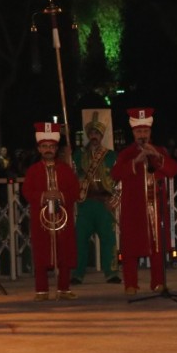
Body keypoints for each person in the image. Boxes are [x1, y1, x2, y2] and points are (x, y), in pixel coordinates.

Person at [112, 107, 177, 295]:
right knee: (131, 246)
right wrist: (136, 161)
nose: (142, 135)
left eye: (145, 131)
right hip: (133, 208)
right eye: (139, 131)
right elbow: (115, 174)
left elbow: (173, 170)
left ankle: (158, 282)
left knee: (157, 246)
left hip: (155, 207)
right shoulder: (126, 153)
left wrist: (157, 157)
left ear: (150, 132)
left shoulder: (159, 150)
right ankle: (131, 284)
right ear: (133, 133)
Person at [22, 122, 80, 301]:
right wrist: (44, 195)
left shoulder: (65, 169)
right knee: (41, 252)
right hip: (42, 218)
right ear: (39, 148)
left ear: (56, 148)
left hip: (63, 216)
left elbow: (75, 191)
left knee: (65, 251)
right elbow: (27, 192)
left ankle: (63, 288)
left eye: (52, 146)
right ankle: (41, 290)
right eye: (45, 146)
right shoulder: (33, 171)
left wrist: (61, 195)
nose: (48, 149)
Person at [72, 115, 120, 285]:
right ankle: (77, 273)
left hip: (104, 202)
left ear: (101, 136)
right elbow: (74, 173)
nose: (94, 136)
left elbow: (116, 178)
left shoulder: (110, 155)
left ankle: (111, 272)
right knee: (80, 239)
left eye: (97, 134)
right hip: (86, 203)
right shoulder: (79, 155)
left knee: (108, 238)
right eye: (91, 133)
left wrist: (114, 199)